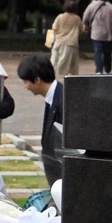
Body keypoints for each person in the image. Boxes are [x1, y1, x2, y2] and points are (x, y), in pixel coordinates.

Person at [16, 54, 64, 186]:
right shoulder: (54, 98)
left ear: (37, 80)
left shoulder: (63, 102)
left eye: (26, 81)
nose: (25, 86)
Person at [82, 0, 112, 75]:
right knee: (107, 53)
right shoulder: (111, 7)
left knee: (97, 52)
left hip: (96, 34)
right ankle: (107, 70)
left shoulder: (91, 6)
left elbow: (85, 19)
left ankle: (98, 70)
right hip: (108, 35)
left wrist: (86, 27)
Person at [50, 0, 83, 77]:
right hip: (71, 43)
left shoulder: (60, 17)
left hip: (59, 42)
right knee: (69, 64)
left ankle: (54, 76)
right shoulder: (77, 18)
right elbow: (80, 30)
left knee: (55, 62)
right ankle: (66, 78)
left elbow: (54, 28)